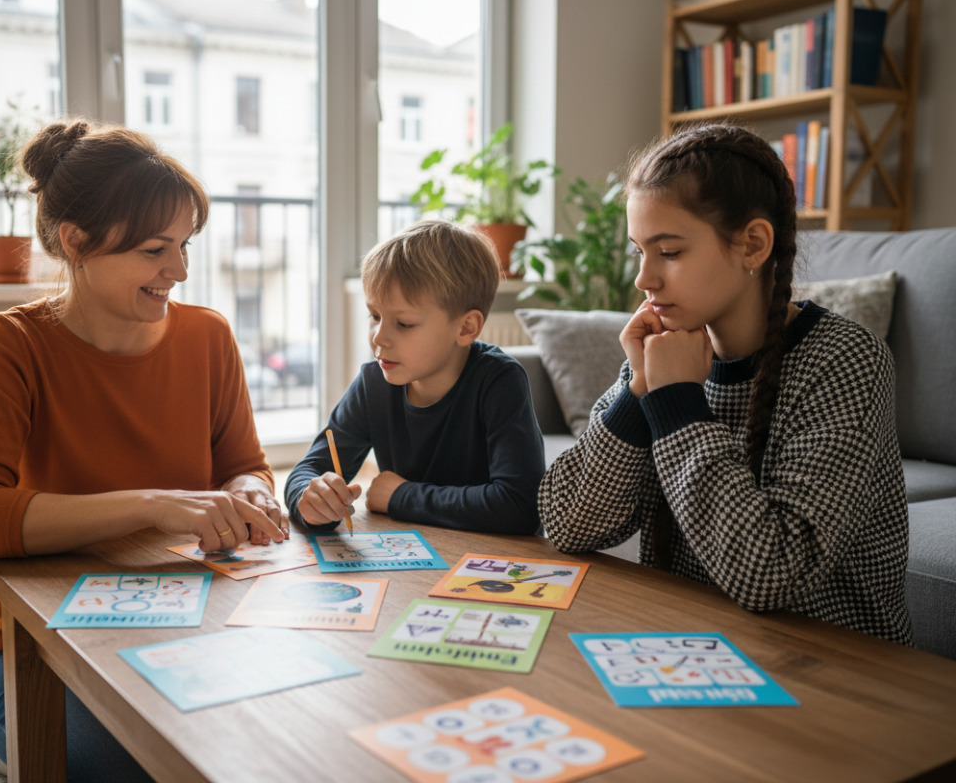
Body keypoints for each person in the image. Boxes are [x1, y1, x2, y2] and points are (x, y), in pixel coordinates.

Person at [0, 120, 288, 782]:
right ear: (77, 242)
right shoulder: (11, 345)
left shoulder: (208, 337)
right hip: (33, 651)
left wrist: (249, 491)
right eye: (157, 250)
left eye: (185, 246)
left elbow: (245, 461)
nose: (179, 270)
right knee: (143, 769)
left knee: (273, 742)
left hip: (188, 624)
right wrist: (151, 506)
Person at [539, 123, 911, 645]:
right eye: (637, 251)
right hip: (696, 648)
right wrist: (638, 392)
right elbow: (567, 523)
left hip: (834, 666)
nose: (644, 279)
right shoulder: (664, 353)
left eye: (668, 251)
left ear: (753, 244)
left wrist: (678, 405)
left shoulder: (844, 360)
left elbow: (770, 575)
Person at [285, 220, 545, 535]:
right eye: (375, 316)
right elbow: (308, 470)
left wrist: (400, 495)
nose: (379, 338)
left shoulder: (499, 382)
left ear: (465, 328)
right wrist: (308, 498)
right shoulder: (374, 383)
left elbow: (521, 506)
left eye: (404, 323)